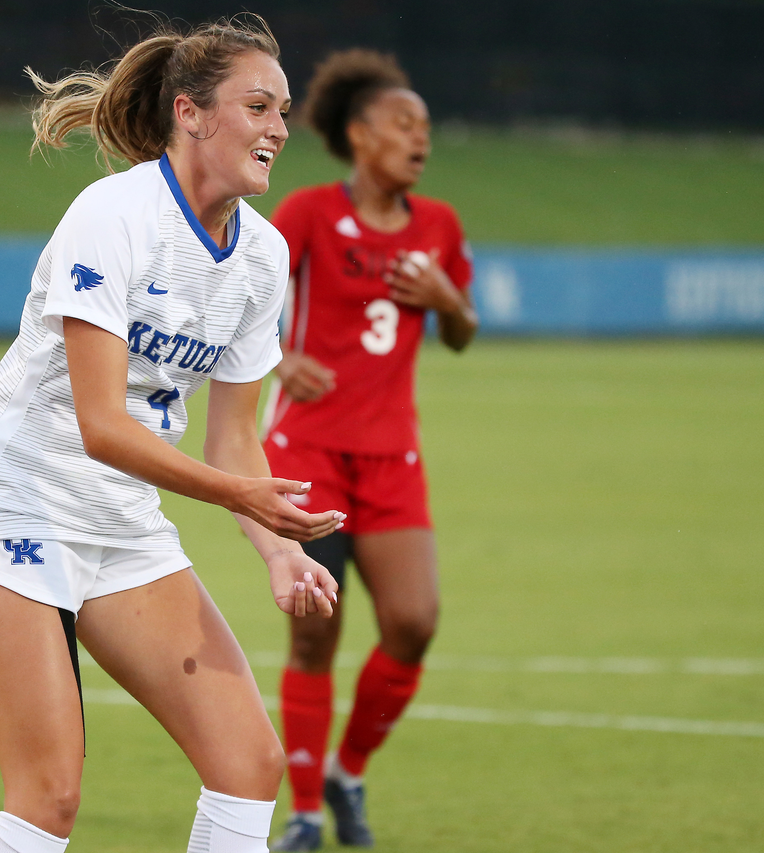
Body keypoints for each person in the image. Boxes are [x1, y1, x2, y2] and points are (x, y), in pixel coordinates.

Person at [0, 16, 344, 853]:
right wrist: (236, 495)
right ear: (190, 113)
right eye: (257, 106)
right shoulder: (114, 215)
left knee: (249, 761)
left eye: (284, 110)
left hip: (118, 517)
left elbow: (235, 440)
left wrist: (277, 550)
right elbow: (102, 425)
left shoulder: (264, 258)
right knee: (49, 793)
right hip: (15, 502)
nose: (278, 129)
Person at [262, 50, 478, 851]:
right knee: (315, 631)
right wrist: (283, 357)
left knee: (414, 622)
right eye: (402, 123)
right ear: (359, 135)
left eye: (424, 126)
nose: (419, 138)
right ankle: (308, 811)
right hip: (308, 447)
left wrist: (448, 299)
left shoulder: (439, 226)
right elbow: (246, 297)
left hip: (392, 456)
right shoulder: (311, 211)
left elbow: (462, 334)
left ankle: (349, 768)